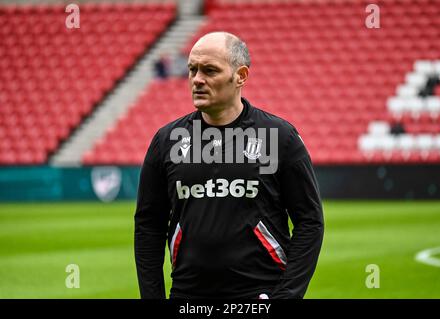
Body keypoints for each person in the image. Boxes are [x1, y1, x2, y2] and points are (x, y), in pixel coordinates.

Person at [134, 32, 324, 299]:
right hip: (188, 297)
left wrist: (287, 296)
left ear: (241, 76)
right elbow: (149, 225)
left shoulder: (279, 137)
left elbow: (310, 222)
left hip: (260, 296)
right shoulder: (167, 140)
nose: (197, 80)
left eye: (210, 70)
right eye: (192, 70)